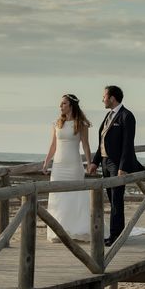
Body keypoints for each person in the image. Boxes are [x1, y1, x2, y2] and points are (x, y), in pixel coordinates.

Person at [87, 85, 145, 246]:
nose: (102, 99)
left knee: (117, 200)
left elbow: (128, 144)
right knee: (112, 200)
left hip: (117, 164)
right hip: (105, 163)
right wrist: (95, 162)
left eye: (104, 96)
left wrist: (123, 167)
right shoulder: (108, 116)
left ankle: (115, 236)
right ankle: (115, 234)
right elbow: (102, 142)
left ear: (112, 98)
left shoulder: (127, 116)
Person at [42, 94, 92, 242]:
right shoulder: (57, 123)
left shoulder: (81, 123)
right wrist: (46, 162)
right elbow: (53, 145)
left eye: (64, 104)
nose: (61, 106)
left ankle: (77, 230)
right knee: (58, 197)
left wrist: (89, 163)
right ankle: (58, 231)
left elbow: (85, 145)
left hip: (74, 165)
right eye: (61, 104)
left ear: (71, 105)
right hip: (58, 166)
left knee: (75, 197)